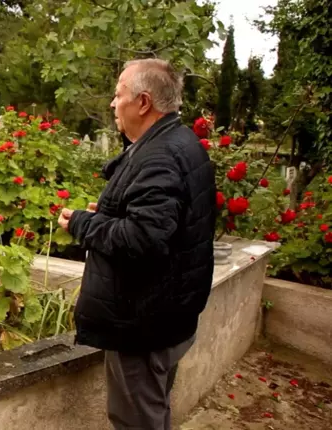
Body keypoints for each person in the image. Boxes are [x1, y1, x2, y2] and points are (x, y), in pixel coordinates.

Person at [58, 59, 216, 430]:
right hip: (167, 316)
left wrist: (83, 223)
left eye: (118, 95)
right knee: (152, 411)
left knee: (136, 421)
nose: (113, 104)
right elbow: (167, 223)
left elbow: (143, 239)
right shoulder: (178, 141)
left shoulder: (159, 155)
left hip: (143, 325)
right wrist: (110, 215)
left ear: (143, 103)